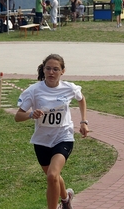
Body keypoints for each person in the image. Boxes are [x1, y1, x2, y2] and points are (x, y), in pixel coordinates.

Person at [14, 54, 88, 209]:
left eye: (56, 69)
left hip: (63, 137)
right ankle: (66, 199)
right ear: (44, 70)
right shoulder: (34, 90)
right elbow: (17, 116)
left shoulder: (69, 88)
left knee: (52, 175)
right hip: (41, 141)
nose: (51, 72)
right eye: (48, 68)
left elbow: (81, 99)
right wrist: (30, 114)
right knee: (52, 177)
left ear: (62, 71)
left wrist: (83, 121)